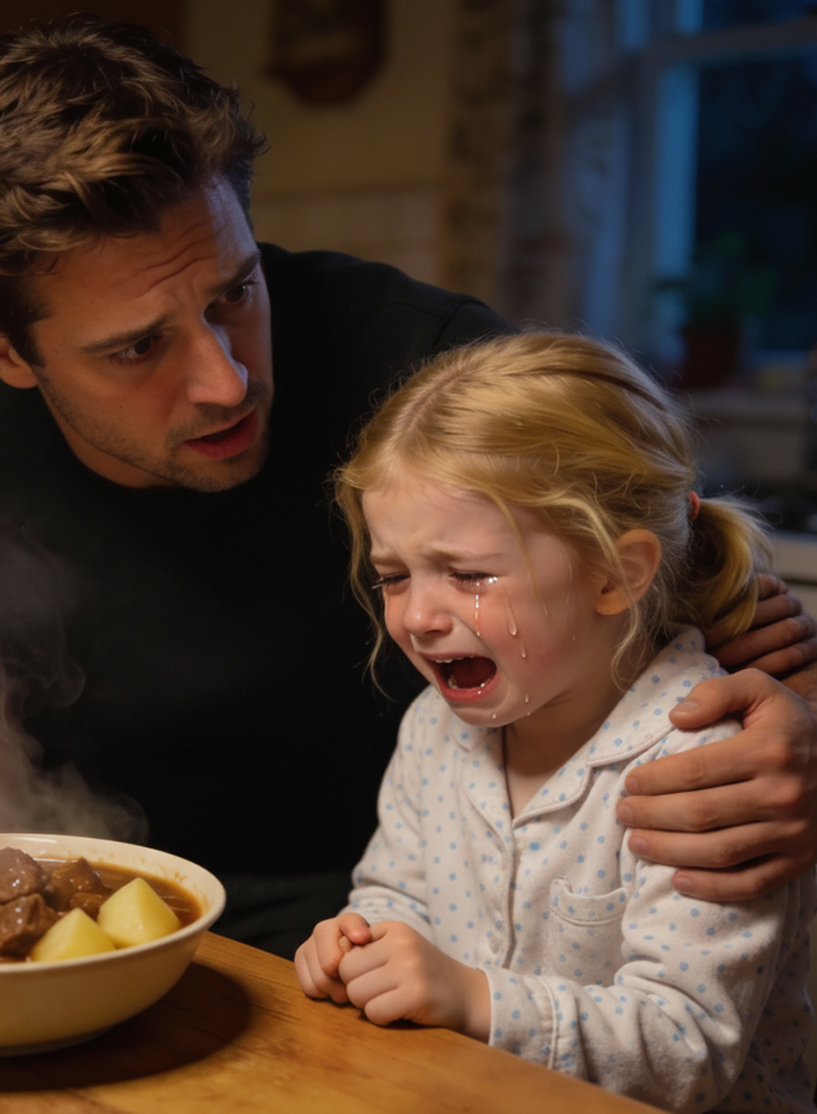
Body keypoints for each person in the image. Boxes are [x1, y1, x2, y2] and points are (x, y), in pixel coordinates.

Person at [0, 17, 813, 959]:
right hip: (98, 897)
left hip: (417, 918)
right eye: (135, 347)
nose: (224, 380)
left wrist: (799, 734)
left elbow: (720, 595)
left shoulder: (431, 367)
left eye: (233, 293)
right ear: (0, 351)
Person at [295, 334, 817, 1111]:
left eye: (469, 575)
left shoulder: (708, 765)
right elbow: (395, 889)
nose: (419, 616)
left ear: (615, 572)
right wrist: (361, 939)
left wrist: (476, 1001)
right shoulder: (432, 731)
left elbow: (688, 1046)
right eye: (395, 576)